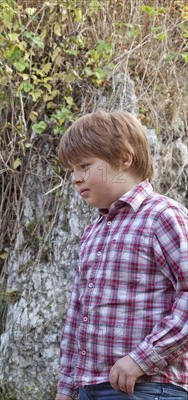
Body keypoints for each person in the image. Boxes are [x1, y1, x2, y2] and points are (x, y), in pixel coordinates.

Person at [55, 110, 188, 400]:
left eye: (84, 166)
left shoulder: (163, 216)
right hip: (89, 388)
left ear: (123, 158)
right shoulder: (93, 231)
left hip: (148, 387)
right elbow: (77, 314)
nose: (76, 179)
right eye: (72, 171)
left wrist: (142, 359)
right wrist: (66, 389)